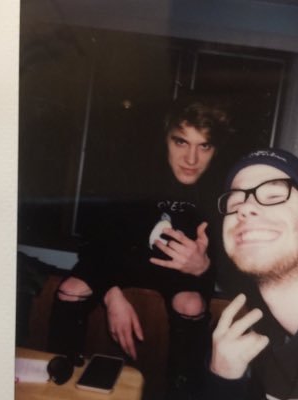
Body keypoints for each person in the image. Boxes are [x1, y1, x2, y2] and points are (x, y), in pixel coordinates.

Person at [47, 97, 233, 399]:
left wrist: (205, 266)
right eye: (181, 142)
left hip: (181, 275)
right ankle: (58, 384)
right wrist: (111, 294)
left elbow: (239, 269)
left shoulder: (223, 193)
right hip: (122, 266)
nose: (191, 158)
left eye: (204, 146)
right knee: (70, 290)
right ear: (165, 139)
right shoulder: (132, 175)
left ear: (216, 150)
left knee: (191, 305)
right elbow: (95, 242)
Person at [204, 148, 298, 400]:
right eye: (235, 203)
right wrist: (224, 378)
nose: (245, 209)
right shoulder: (268, 340)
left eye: (274, 196)